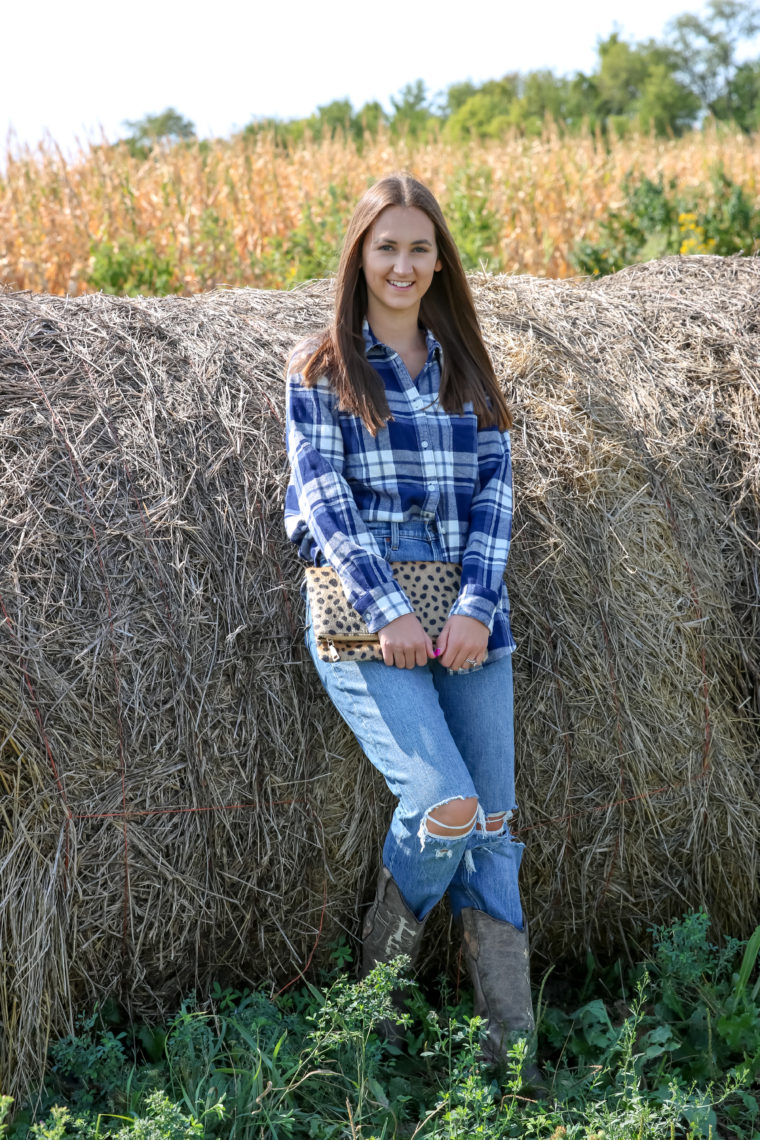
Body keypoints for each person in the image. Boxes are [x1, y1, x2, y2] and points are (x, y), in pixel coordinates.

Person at [284, 172, 538, 1077]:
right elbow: (324, 503)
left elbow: (498, 494)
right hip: (364, 617)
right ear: (360, 256)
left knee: (496, 827)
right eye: (386, 247)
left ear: (440, 259)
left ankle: (514, 1063)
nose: (403, 264)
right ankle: (368, 1019)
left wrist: (475, 605)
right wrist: (389, 607)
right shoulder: (322, 369)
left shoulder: (467, 365)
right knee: (447, 806)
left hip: (472, 619)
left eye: (420, 247)